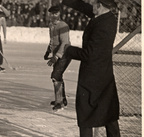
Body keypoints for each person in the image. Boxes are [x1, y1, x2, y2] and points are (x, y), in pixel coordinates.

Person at [61, 0, 120, 136]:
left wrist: (69, 50)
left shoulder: (103, 25)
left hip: (92, 78)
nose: (90, 6)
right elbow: (83, 6)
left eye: (93, 3)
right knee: (108, 115)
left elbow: (89, 54)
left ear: (99, 6)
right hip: (103, 75)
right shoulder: (105, 16)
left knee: (86, 115)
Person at [43, 5, 71, 111]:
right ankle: (62, 99)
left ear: (60, 14)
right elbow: (52, 40)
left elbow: (65, 42)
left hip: (65, 54)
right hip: (56, 54)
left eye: (56, 13)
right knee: (58, 76)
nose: (54, 16)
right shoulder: (51, 25)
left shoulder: (63, 25)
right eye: (52, 14)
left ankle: (59, 102)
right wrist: (48, 51)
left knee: (55, 75)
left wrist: (56, 56)